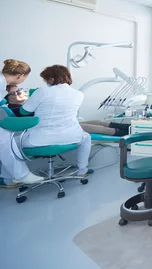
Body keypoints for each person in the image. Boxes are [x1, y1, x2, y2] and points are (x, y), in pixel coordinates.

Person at [19, 65, 92, 177]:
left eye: (46, 79)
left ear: (52, 79)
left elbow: (24, 111)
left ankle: (17, 177)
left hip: (41, 139)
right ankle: (82, 170)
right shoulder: (79, 94)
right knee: (86, 137)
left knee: (10, 142)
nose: (46, 82)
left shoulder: (42, 91)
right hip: (71, 137)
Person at [0, 59, 44, 188]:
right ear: (20, 76)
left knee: (6, 140)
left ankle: (7, 178)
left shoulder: (3, 83)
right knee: (5, 140)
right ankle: (21, 175)